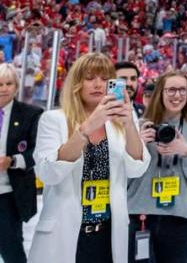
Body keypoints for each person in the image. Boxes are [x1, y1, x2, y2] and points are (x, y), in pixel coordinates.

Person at [29, 52, 149, 262]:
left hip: (108, 233)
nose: (98, 84)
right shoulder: (53, 119)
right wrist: (86, 129)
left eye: (104, 79)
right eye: (90, 77)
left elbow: (136, 169)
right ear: (77, 82)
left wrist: (130, 124)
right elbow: (48, 174)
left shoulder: (122, 120)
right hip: (64, 233)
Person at [127, 69, 187, 262]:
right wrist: (137, 145)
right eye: (172, 90)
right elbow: (122, 174)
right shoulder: (138, 125)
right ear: (161, 93)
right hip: (140, 215)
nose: (178, 95)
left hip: (179, 218)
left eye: (183, 90)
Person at [0, 62, 42, 263]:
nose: (4, 88)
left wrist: (12, 161)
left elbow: (38, 151)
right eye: (0, 84)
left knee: (11, 248)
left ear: (16, 87)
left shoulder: (31, 114)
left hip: (8, 194)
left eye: (8, 83)